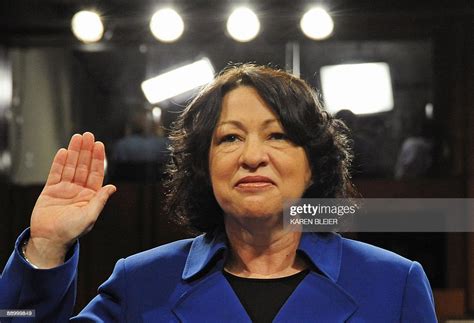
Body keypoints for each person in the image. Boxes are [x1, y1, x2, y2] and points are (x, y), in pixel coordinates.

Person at [0, 64, 436, 322]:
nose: (252, 156)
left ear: (313, 165)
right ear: (203, 167)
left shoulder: (394, 285)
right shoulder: (141, 282)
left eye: (278, 136)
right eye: (229, 138)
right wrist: (46, 247)